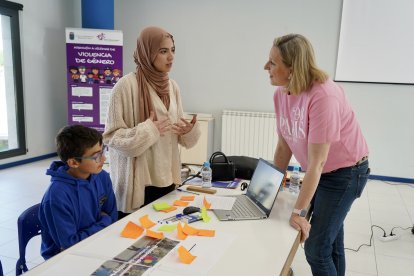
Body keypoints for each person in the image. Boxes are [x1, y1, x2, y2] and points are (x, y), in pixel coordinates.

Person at [264, 34, 370, 276]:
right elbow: (284, 146)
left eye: (272, 62)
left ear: (291, 68)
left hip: (346, 173)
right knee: (330, 242)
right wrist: (268, 190)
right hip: (322, 172)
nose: (265, 67)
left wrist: (298, 212)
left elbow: (317, 162)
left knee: (316, 248)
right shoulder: (281, 93)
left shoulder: (324, 96)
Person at [103, 26, 200, 218]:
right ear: (147, 53)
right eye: (163, 51)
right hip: (139, 183)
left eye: (172, 50)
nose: (170, 57)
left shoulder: (172, 86)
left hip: (166, 178)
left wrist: (187, 131)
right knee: (134, 242)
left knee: (163, 235)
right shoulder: (125, 86)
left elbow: (179, 134)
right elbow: (111, 138)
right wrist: (148, 130)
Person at [38, 125, 117, 260]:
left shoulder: (102, 176)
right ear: (74, 162)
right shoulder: (56, 196)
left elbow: (113, 216)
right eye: (96, 156)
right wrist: (104, 220)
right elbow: (70, 244)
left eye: (102, 151)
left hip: (99, 242)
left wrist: (106, 221)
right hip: (64, 258)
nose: (104, 159)